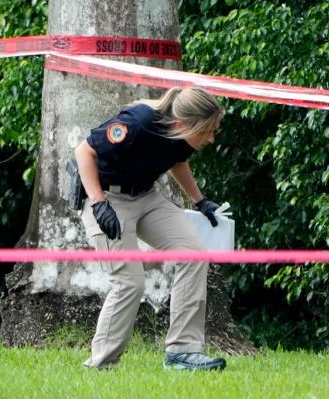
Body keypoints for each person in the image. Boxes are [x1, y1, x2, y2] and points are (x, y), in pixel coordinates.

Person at [74, 86, 226, 371]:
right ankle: (101, 364)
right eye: (207, 131)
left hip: (145, 196)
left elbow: (177, 160)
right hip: (107, 197)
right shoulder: (137, 123)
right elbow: (84, 151)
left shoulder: (181, 133)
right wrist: (98, 203)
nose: (211, 138)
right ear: (183, 124)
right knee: (130, 282)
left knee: (193, 255)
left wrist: (200, 201)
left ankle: (183, 354)